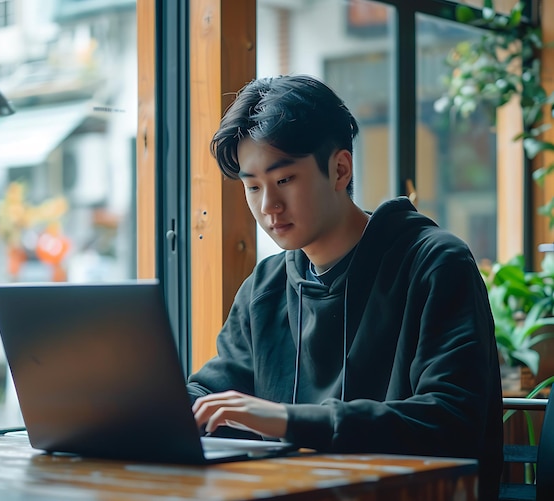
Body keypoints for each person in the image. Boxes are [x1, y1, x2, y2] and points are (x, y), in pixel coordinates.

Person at [187, 74, 503, 500]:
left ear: (339, 169)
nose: (268, 207)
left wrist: (285, 419)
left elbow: (449, 421)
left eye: (284, 181)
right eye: (253, 186)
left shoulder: (435, 264)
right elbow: (211, 392)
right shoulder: (265, 286)